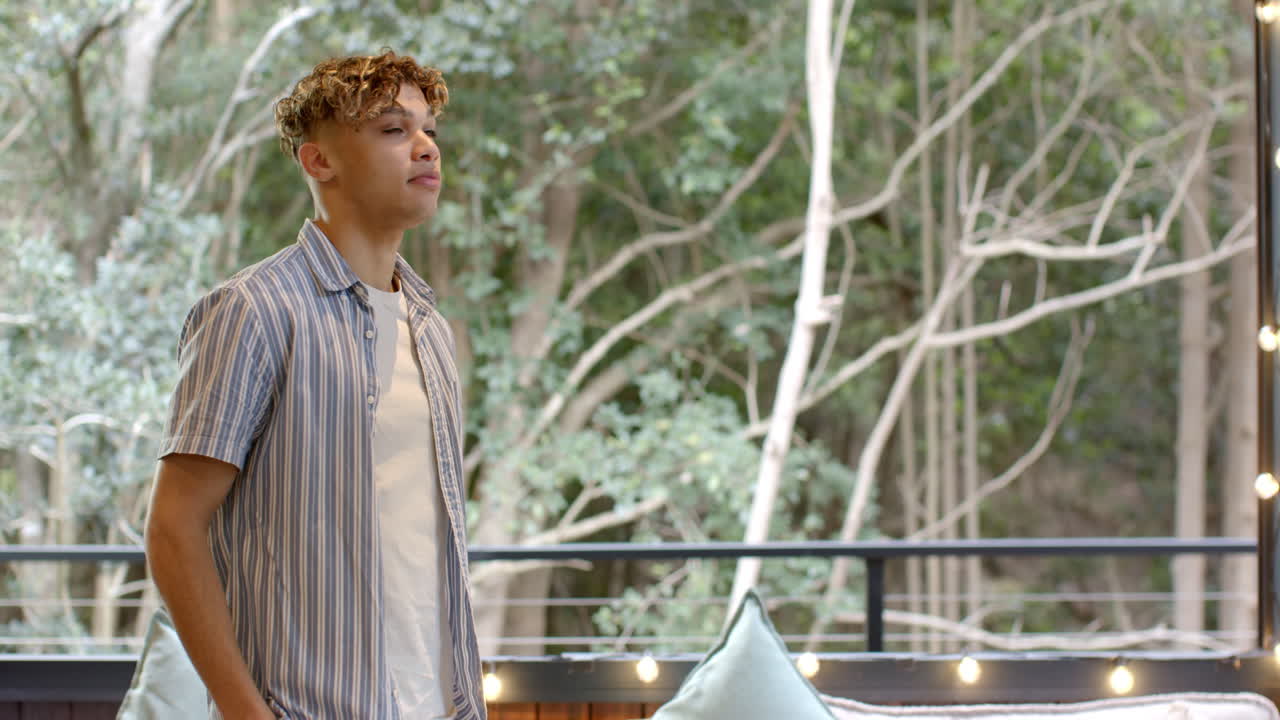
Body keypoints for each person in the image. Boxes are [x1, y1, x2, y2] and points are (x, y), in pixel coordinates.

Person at [145, 50, 484, 720]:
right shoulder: (255, 311)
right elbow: (173, 529)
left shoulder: (431, 330)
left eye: (429, 130)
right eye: (393, 130)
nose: (424, 147)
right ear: (318, 161)